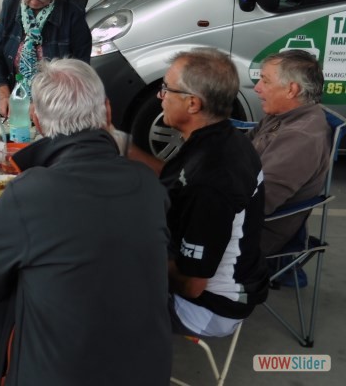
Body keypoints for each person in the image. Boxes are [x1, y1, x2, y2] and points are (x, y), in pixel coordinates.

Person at [0, 59, 172, 386]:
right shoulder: (148, 184)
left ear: (36, 118)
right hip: (150, 369)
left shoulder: (26, 193)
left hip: (58, 374)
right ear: (106, 111)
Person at [133, 48, 268, 337]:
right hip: (211, 285)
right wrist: (122, 146)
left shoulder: (212, 180)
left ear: (193, 103)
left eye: (166, 89)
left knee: (88, 286)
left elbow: (192, 286)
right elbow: (175, 182)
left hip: (206, 309)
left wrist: (133, 255)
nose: (160, 96)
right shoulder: (222, 138)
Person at [0, 0, 92, 116]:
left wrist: (46, 104)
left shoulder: (72, 13)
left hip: (57, 106)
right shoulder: (10, 6)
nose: (34, 2)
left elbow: (81, 70)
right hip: (17, 100)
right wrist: (4, 93)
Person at [251, 50, 330, 257]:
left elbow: (257, 203)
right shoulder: (282, 115)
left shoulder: (300, 137)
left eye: (265, 81)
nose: (257, 88)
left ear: (291, 90)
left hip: (254, 234)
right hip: (239, 211)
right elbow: (241, 147)